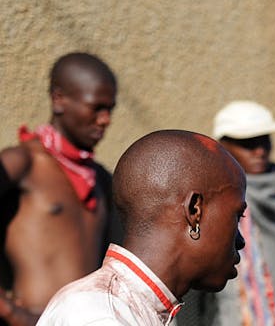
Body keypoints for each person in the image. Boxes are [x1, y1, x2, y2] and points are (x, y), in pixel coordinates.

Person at [36, 129, 247, 325]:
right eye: (237, 216)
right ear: (194, 211)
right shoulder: (98, 315)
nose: (241, 240)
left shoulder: (133, 308)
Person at [0, 52, 118, 326]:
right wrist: (8, 311)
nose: (105, 120)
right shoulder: (24, 162)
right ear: (59, 99)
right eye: (96, 107)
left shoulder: (100, 179)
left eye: (110, 109)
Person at [187, 100, 275, 326]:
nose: (260, 151)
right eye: (248, 143)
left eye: (265, 140)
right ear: (223, 147)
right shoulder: (207, 201)